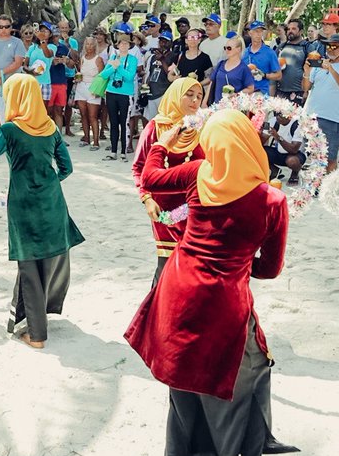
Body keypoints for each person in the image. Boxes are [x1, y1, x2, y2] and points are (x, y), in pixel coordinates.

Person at [127, 109, 290, 456]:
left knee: (181, 383)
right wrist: (237, 262)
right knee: (252, 377)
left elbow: (150, 178)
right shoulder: (272, 199)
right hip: (224, 301)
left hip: (177, 290)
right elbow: (270, 269)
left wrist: (163, 143)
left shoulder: (198, 173)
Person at [0, 74, 85, 348]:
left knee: (28, 265)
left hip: (24, 204)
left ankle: (36, 335)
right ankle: (36, 318)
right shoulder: (50, 127)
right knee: (47, 259)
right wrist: (46, 182)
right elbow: (66, 168)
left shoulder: (10, 130)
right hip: (53, 202)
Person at [131, 78, 205, 283]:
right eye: (189, 95)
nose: (195, 100)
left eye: (199, 96)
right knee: (166, 266)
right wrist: (146, 199)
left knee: (193, 267)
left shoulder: (203, 128)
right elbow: (139, 167)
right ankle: (158, 303)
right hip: (163, 209)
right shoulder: (155, 128)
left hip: (195, 207)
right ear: (175, 95)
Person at [302, 34, 339, 172]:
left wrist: (331, 70)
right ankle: (316, 183)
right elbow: (306, 87)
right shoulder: (319, 64)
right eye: (328, 46)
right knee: (312, 155)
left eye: (334, 46)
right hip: (311, 115)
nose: (330, 49)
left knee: (330, 158)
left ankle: (330, 184)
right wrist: (307, 72)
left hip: (332, 117)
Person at [99, 32, 139, 161]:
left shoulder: (132, 59)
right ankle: (113, 151)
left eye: (126, 43)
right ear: (118, 45)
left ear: (129, 45)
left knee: (124, 122)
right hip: (111, 92)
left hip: (125, 94)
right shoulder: (113, 57)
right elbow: (104, 74)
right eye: (121, 43)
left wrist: (119, 67)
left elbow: (129, 77)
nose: (123, 46)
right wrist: (113, 67)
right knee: (113, 122)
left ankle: (123, 152)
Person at [73, 37, 104, 150]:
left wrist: (99, 91)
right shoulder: (82, 58)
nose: (89, 46)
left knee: (93, 116)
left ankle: (96, 141)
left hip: (93, 88)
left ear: (94, 46)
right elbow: (81, 72)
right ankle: (86, 138)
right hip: (81, 86)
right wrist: (77, 79)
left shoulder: (98, 59)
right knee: (83, 115)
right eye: (87, 44)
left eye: (91, 44)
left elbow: (102, 77)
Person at [207, 35, 256, 105]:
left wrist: (237, 94)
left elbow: (250, 88)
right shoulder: (220, 64)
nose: (226, 50)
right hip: (217, 105)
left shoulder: (244, 68)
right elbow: (211, 83)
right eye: (225, 48)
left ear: (238, 49)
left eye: (229, 48)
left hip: (234, 106)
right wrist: (204, 102)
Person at [261, 110, 305, 185]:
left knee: (292, 161)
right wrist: (261, 132)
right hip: (279, 152)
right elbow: (261, 142)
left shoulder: (297, 124)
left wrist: (277, 137)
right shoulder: (272, 121)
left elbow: (294, 150)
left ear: (289, 116)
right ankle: (275, 170)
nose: (278, 117)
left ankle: (295, 173)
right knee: (258, 151)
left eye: (281, 115)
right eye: (277, 114)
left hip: (295, 155)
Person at [275, 19, 310, 104]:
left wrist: (306, 92)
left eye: (294, 29)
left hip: (299, 93)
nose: (290, 31)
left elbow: (312, 71)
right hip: (280, 92)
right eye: (288, 29)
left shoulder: (307, 47)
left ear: (301, 31)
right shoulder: (281, 47)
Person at [242, 21, 281, 95]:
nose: (259, 34)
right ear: (250, 33)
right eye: (256, 31)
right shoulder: (244, 52)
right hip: (245, 93)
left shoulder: (270, 53)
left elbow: (279, 75)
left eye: (261, 31)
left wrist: (264, 75)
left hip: (261, 93)